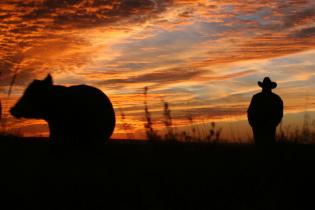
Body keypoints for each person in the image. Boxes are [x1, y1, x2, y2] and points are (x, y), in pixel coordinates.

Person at [247, 77, 283, 145]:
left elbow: (250, 112)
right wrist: (253, 124)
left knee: (263, 145)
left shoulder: (256, 97)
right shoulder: (276, 98)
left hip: (265, 127)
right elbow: (250, 112)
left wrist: (273, 124)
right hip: (260, 127)